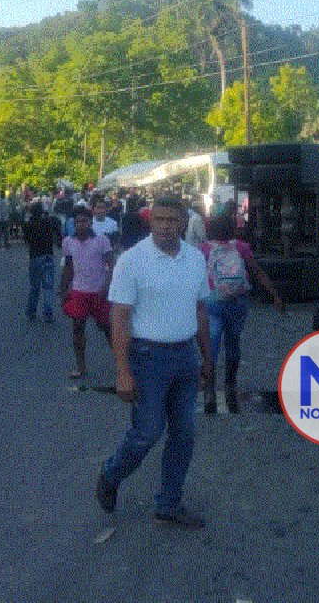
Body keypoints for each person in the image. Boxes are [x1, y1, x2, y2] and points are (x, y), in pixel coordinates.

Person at [97, 194, 212, 528]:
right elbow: (119, 317)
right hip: (148, 358)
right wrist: (122, 372)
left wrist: (207, 358)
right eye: (159, 219)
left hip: (187, 356)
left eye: (172, 220)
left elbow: (201, 309)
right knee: (147, 433)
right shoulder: (132, 260)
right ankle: (111, 473)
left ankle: (169, 504)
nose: (165, 226)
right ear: (151, 220)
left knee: (184, 434)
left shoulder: (194, 258)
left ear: (183, 222)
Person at [198, 215, 283, 414]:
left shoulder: (204, 249)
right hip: (238, 303)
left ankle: (210, 390)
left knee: (211, 347)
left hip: (212, 302)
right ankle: (230, 383)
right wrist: (275, 296)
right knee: (233, 345)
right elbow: (256, 271)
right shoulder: (242, 247)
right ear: (232, 229)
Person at [59, 206, 114, 379]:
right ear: (73, 224)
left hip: (99, 292)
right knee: (77, 329)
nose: (80, 224)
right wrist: (63, 288)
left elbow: (111, 265)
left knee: (108, 330)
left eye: (84, 221)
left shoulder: (101, 240)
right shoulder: (68, 242)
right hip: (78, 291)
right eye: (77, 222)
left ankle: (122, 365)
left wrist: (107, 286)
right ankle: (81, 367)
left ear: (90, 222)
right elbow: (68, 266)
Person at [23, 201, 61, 323]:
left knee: (34, 286)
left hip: (34, 257)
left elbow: (26, 240)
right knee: (48, 287)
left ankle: (31, 311)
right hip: (47, 256)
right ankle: (47, 313)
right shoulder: (49, 222)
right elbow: (58, 232)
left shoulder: (28, 224)